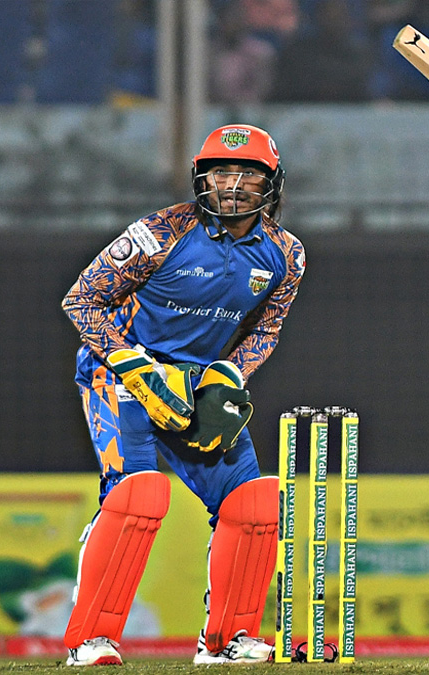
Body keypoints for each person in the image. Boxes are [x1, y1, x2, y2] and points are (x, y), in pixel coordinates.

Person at [60, 124, 306, 666]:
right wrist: (134, 366)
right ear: (202, 179)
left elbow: (266, 330)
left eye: (248, 174)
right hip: (118, 374)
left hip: (197, 385)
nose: (233, 185)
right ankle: (90, 641)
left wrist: (229, 375)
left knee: (254, 501)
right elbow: (81, 301)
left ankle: (226, 641)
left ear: (272, 184)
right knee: (138, 495)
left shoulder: (287, 254)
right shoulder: (160, 233)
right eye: (221, 172)